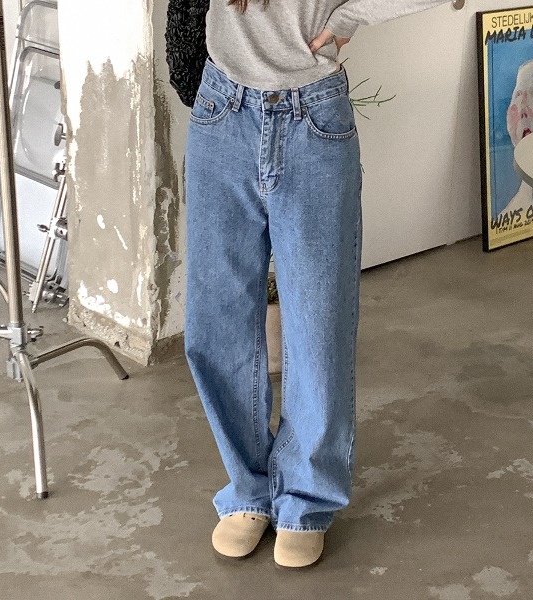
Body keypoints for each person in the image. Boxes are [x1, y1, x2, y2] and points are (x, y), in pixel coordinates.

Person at [184, 0, 450, 568]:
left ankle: (305, 498)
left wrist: (350, 17)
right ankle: (248, 489)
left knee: (317, 324)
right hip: (221, 108)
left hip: (314, 115)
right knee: (216, 322)